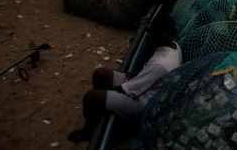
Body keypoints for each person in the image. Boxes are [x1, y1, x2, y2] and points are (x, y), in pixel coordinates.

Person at [67, 15, 182, 143]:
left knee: (90, 97)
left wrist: (107, 90)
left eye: (154, 33)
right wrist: (138, 76)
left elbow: (129, 89)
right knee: (99, 74)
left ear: (164, 35)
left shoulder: (160, 64)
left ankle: (88, 131)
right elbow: (149, 78)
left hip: (142, 104)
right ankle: (100, 114)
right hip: (144, 87)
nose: (151, 36)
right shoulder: (174, 47)